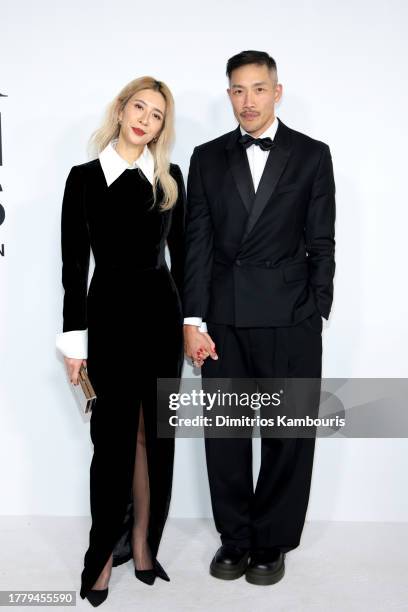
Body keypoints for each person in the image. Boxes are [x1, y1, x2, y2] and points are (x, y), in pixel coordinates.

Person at [183, 50, 336, 586]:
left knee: (287, 431)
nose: (247, 101)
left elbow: (321, 238)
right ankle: (236, 536)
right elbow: (196, 242)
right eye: (237, 90)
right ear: (228, 95)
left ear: (277, 91)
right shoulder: (206, 157)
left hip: (291, 316)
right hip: (222, 317)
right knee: (224, 433)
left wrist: (317, 306)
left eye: (258, 89)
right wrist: (192, 319)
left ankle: (272, 539)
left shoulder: (313, 155)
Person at [55, 76, 186, 606]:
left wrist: (192, 322)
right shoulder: (83, 178)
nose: (145, 120)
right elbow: (71, 268)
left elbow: (187, 261)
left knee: (152, 439)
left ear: (161, 127)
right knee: (109, 445)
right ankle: (103, 556)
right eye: (140, 107)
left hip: (160, 318)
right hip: (106, 319)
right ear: (121, 108)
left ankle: (144, 543)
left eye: (157, 115)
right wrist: (74, 345)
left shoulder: (169, 178)